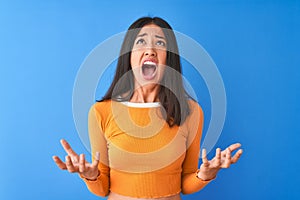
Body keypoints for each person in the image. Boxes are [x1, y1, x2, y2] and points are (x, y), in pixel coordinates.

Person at [53, 17, 243, 200]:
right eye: (141, 42)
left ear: (169, 58)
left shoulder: (191, 112)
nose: (150, 50)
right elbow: (102, 189)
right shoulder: (101, 112)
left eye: (160, 43)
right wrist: (90, 175)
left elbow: (185, 185)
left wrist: (205, 174)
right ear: (129, 55)